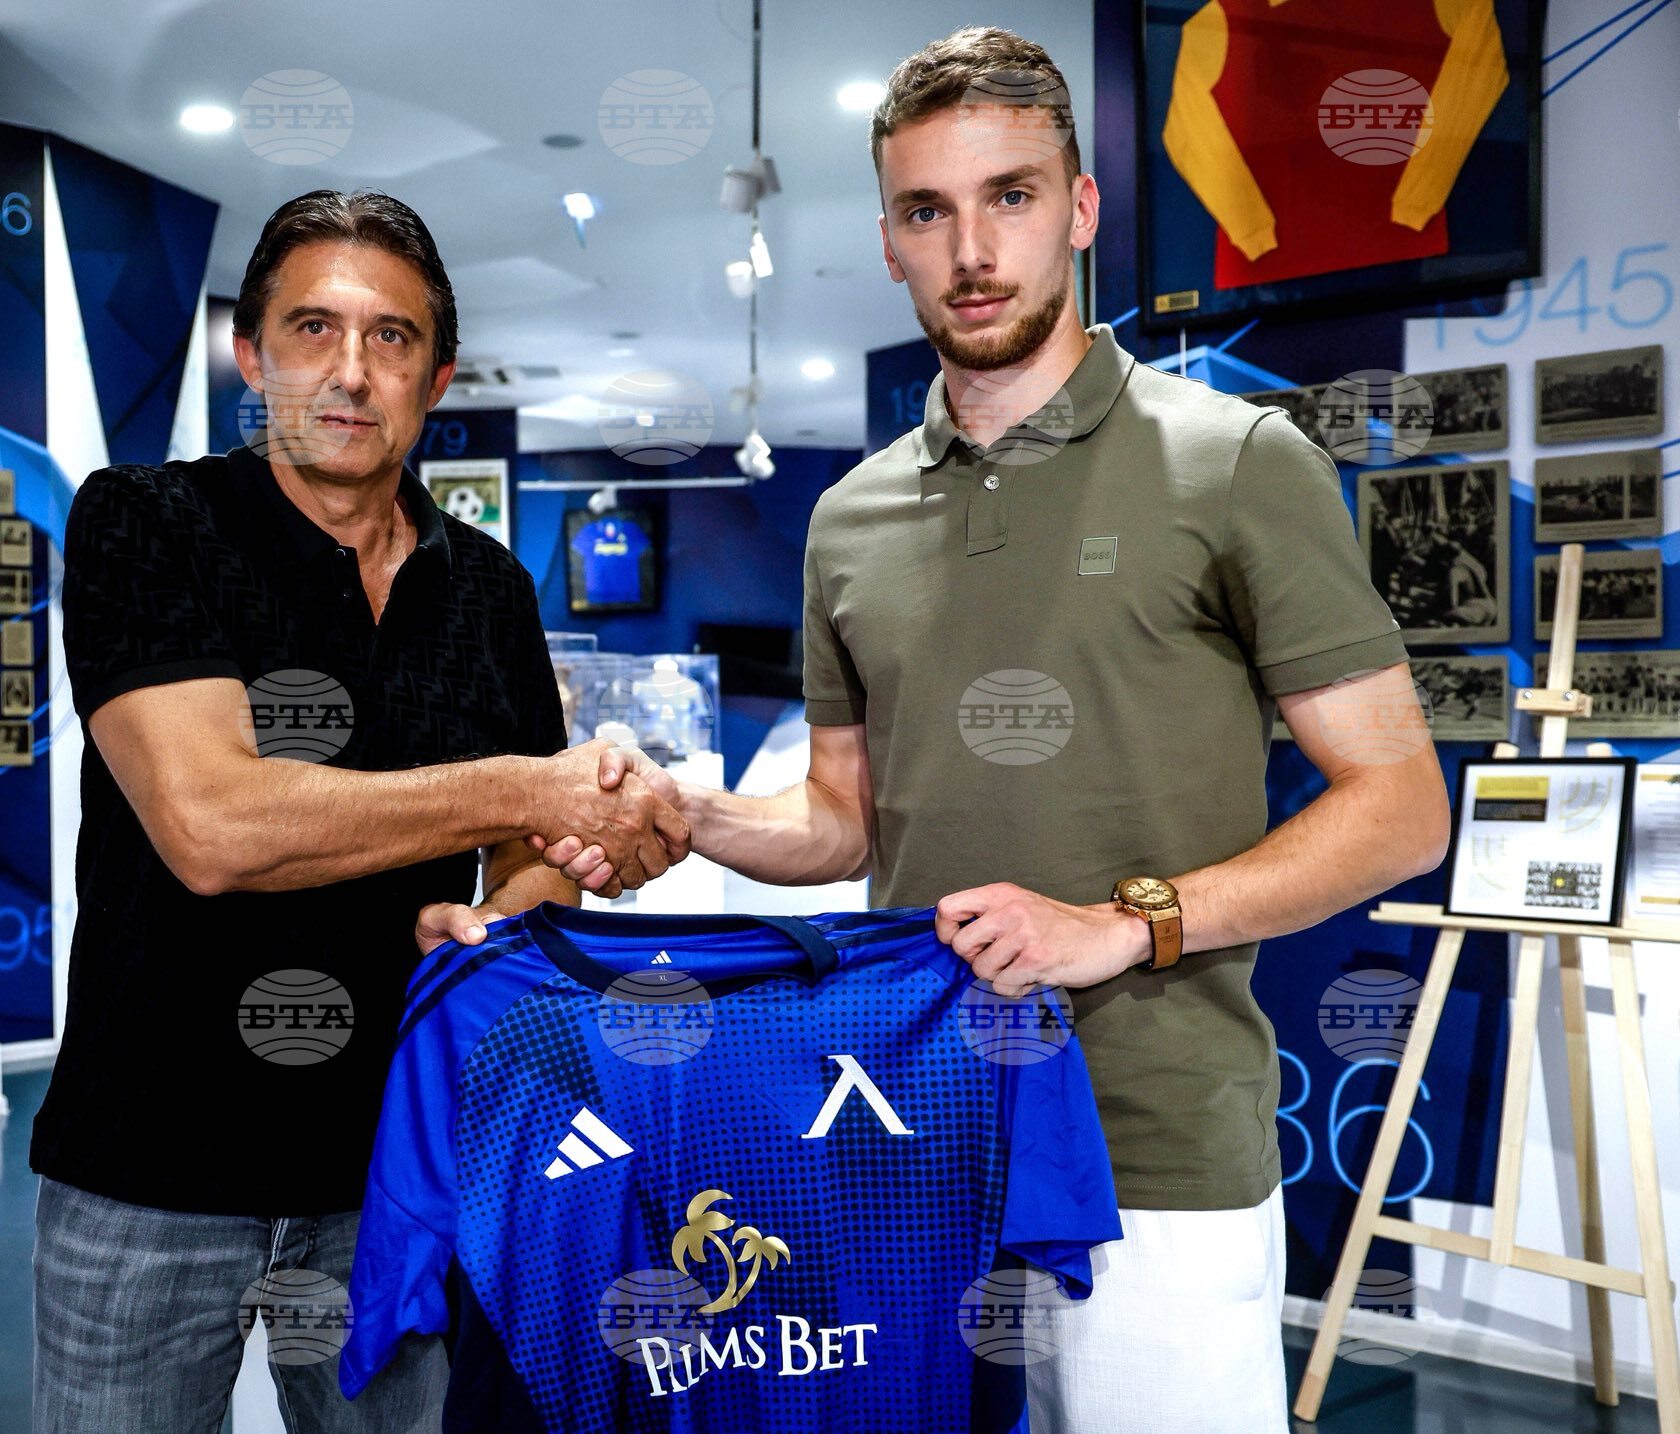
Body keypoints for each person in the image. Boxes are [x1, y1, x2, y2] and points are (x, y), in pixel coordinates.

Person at [523, 27, 1448, 1434]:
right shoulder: (849, 519)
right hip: (910, 1129)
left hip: (1156, 1154)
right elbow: (841, 820)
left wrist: (1122, 924)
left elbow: (1400, 804)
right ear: (888, 241)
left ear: (1080, 208)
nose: (970, 249)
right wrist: (687, 813)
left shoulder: (1237, 462)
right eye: (926, 210)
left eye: (1009, 195)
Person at [30, 189, 688, 1434]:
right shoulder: (146, 523)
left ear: (433, 380)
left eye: (390, 337)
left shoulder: (489, 588)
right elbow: (212, 828)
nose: (349, 370)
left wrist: (509, 915)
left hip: (398, 1167)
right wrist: (526, 785)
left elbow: (530, 859)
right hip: (146, 1166)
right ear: (251, 356)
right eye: (312, 328)